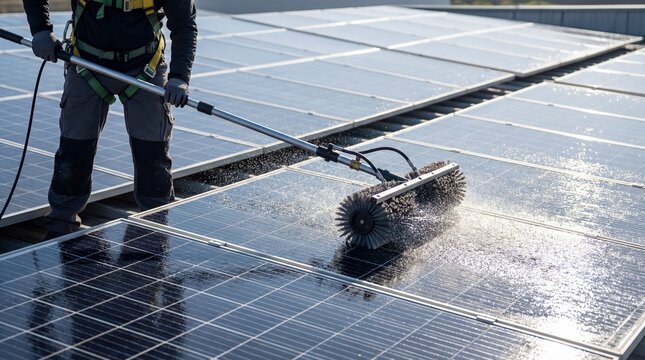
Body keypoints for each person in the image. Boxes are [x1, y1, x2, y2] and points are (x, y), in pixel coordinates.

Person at [22, 0, 197, 237]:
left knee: (153, 159)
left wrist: (179, 78)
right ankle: (61, 230)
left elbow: (184, 24)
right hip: (86, 64)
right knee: (73, 154)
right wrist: (41, 29)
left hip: (145, 68)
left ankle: (154, 232)